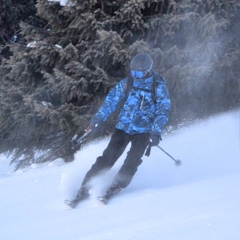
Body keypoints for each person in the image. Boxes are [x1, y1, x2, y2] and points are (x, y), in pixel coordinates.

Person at [71, 53, 171, 206]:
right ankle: (85, 188)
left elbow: (162, 112)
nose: (136, 76)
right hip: (124, 127)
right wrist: (97, 120)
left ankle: (116, 186)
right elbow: (110, 102)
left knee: (132, 161)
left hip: (144, 131)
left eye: (139, 73)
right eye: (133, 73)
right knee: (107, 158)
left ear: (148, 71)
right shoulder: (127, 84)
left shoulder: (158, 87)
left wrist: (156, 131)